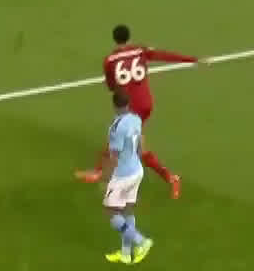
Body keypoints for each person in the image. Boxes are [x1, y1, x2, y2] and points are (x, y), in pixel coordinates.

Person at [102, 25, 200, 197]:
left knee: (132, 145)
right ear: (129, 37)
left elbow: (111, 87)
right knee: (125, 140)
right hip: (146, 103)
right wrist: (191, 59)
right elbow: (163, 55)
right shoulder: (140, 51)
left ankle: (171, 178)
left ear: (114, 39)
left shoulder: (110, 60)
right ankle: (102, 173)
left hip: (131, 108)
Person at [74, 89, 156, 265]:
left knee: (111, 212)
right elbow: (140, 144)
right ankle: (126, 254)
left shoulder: (116, 127)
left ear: (114, 105)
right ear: (128, 103)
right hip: (136, 170)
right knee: (127, 211)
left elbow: (114, 156)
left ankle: (141, 241)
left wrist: (105, 178)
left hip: (123, 175)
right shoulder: (136, 119)